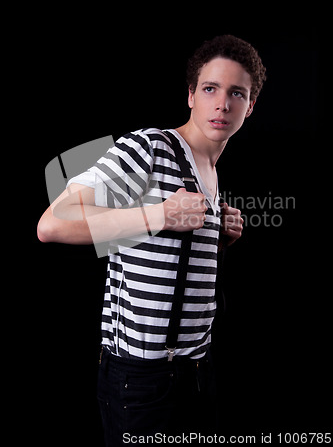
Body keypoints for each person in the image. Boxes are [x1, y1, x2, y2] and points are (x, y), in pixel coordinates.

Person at [37, 35, 266, 444]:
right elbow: (53, 223)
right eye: (211, 89)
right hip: (143, 380)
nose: (223, 104)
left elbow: (164, 250)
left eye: (237, 93)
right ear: (191, 95)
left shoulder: (210, 172)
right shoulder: (149, 147)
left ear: (250, 107)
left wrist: (217, 236)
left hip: (198, 370)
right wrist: (159, 214)